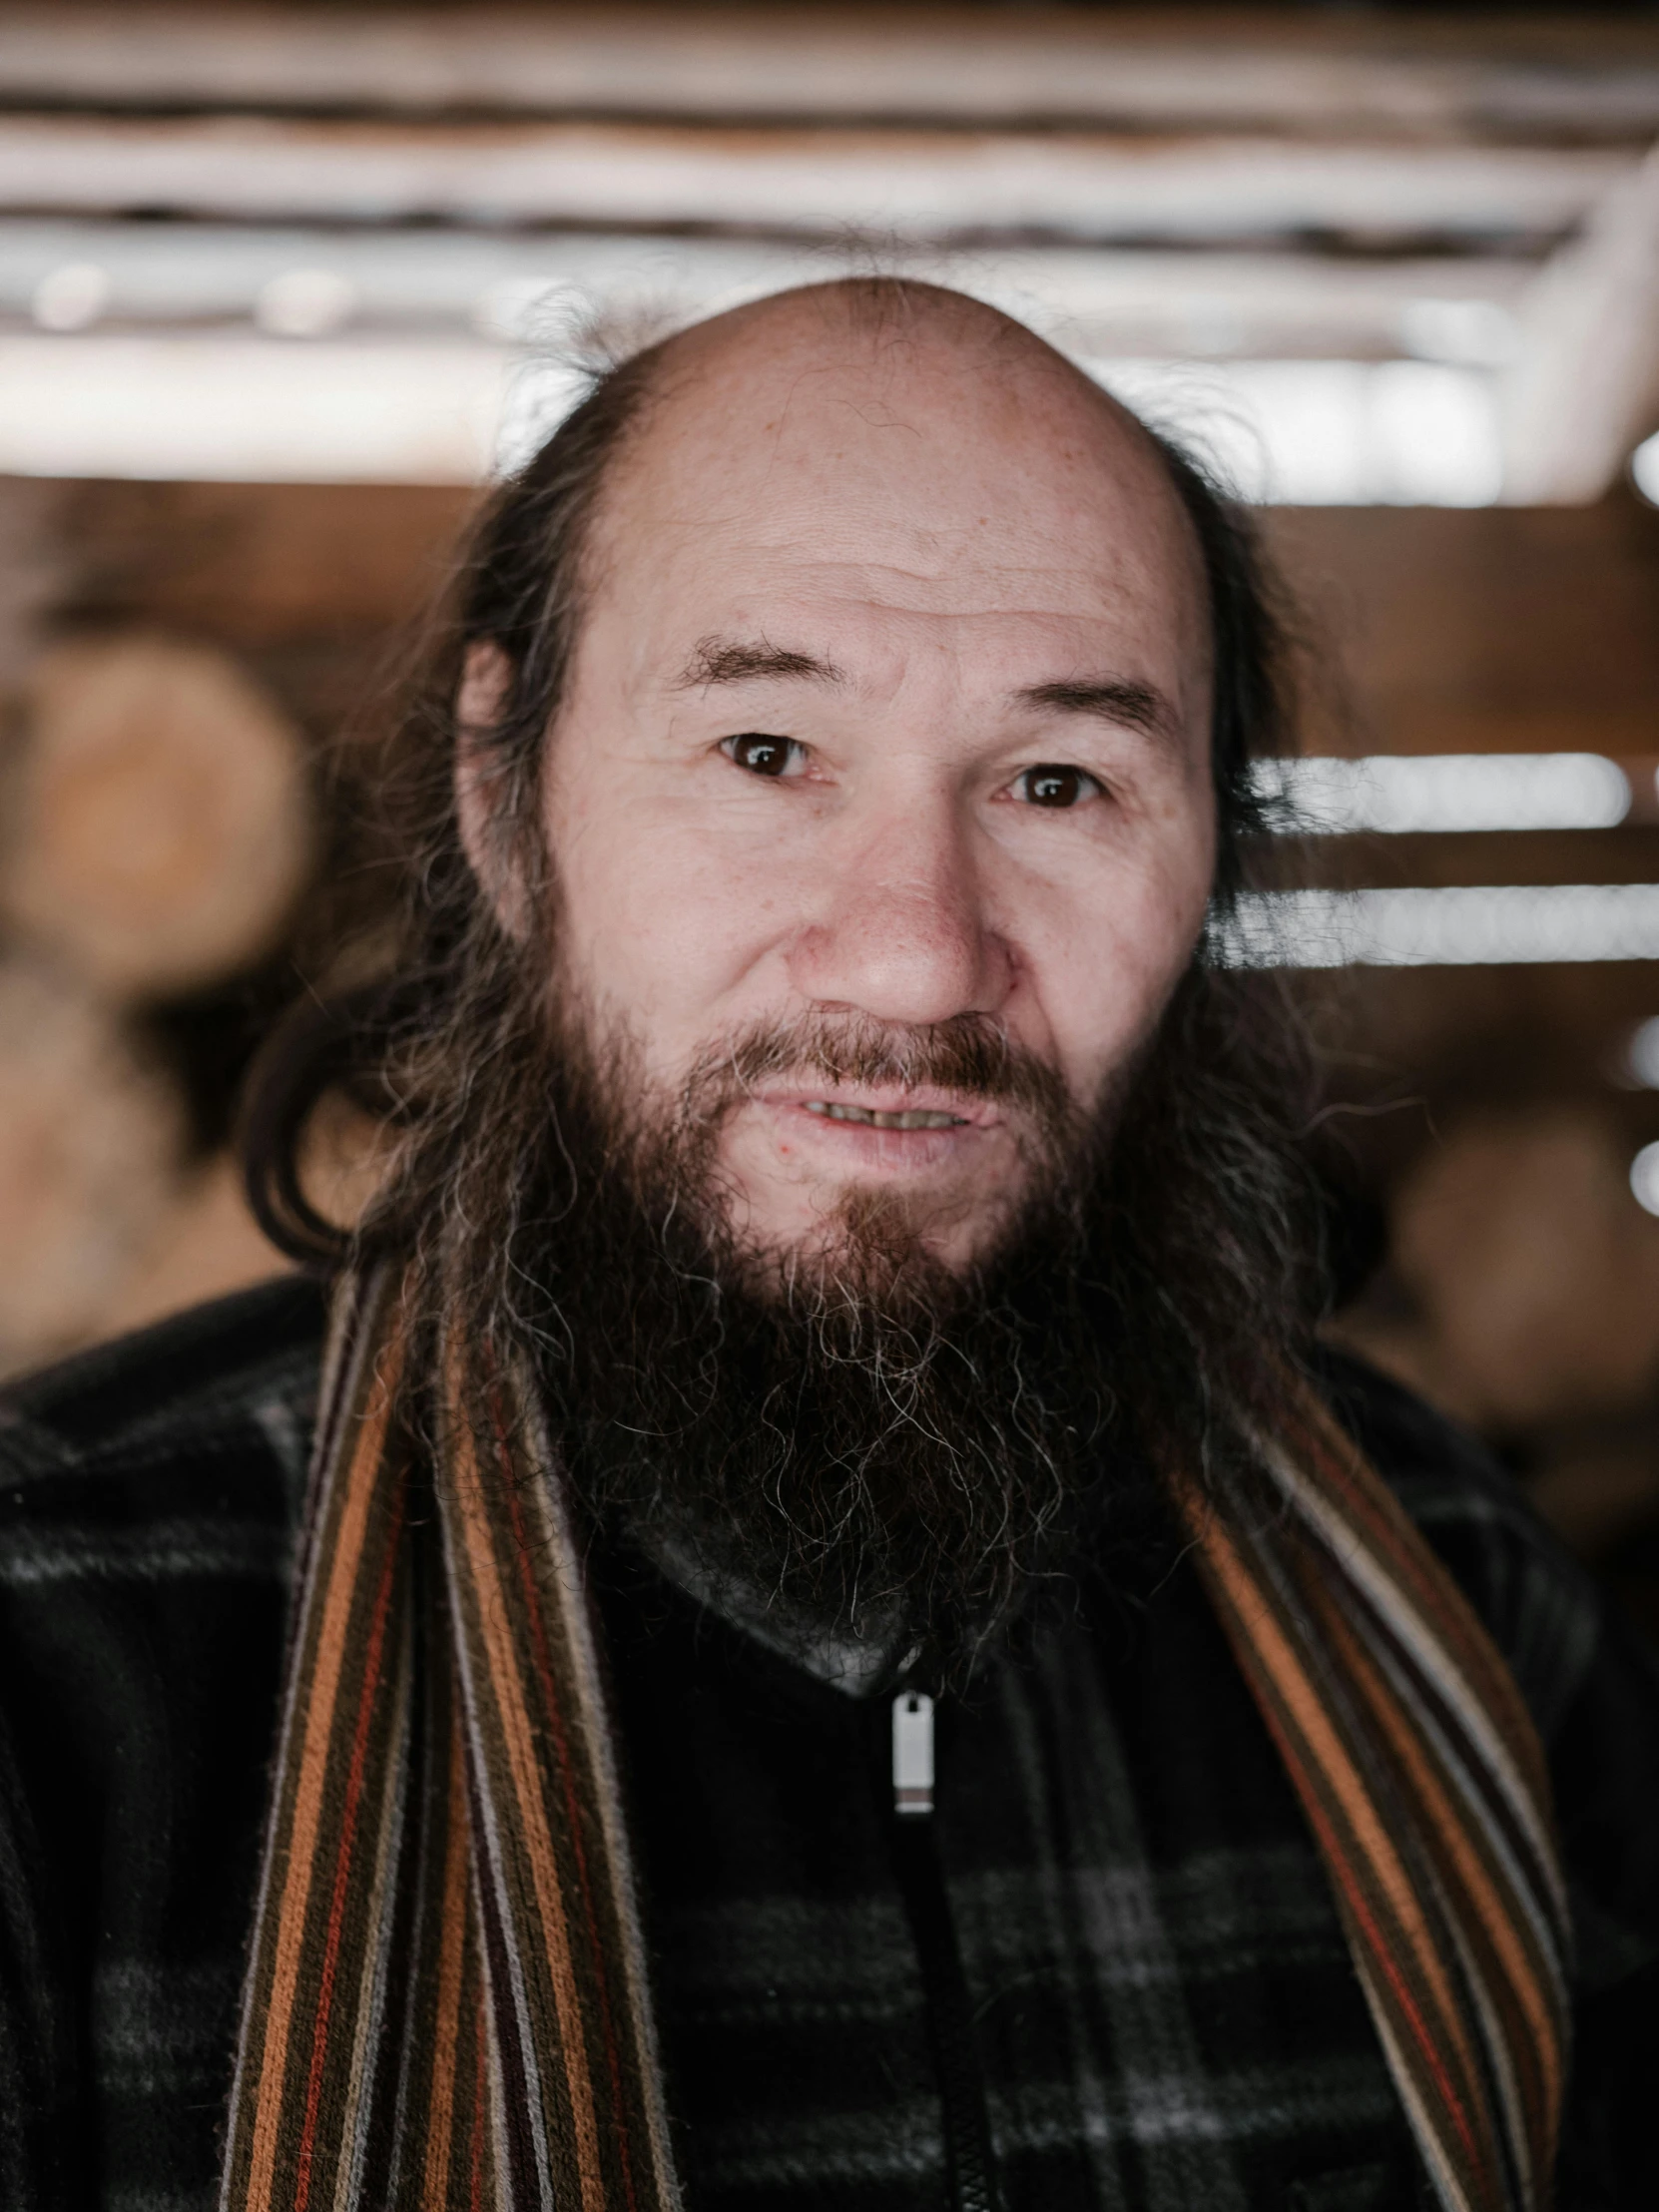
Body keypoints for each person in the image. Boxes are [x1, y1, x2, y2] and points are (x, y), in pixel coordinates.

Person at [0, 278, 1653, 2212]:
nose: (916, 953)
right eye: (768, 750)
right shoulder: (57, 1657)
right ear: (502, 798)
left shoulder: (1457, 1608)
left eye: (1060, 782)